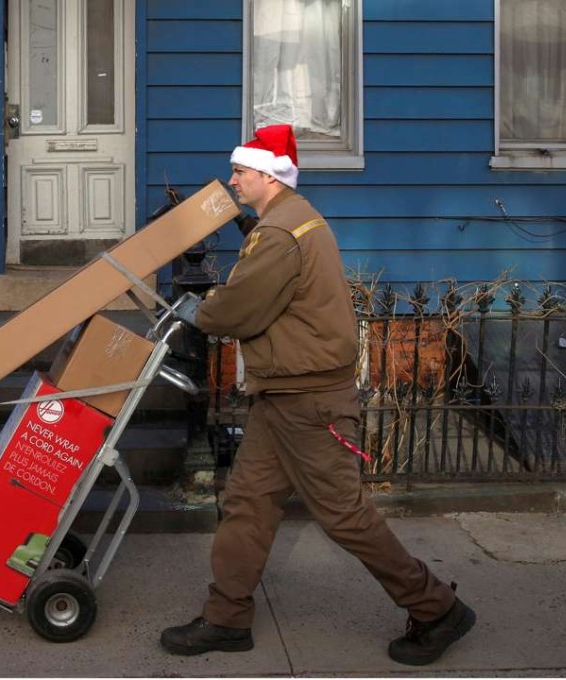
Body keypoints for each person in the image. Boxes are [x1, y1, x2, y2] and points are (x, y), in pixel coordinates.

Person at [161, 124, 475, 666]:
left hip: (309, 403)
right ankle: (227, 617)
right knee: (248, 503)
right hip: (282, 398)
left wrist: (200, 310)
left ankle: (436, 608)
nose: (232, 181)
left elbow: (239, 310)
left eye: (240, 172)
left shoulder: (282, 234)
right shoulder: (290, 221)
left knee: (344, 515)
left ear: (267, 175)